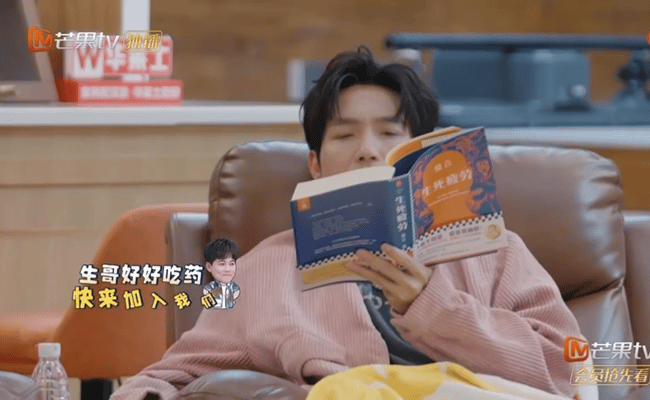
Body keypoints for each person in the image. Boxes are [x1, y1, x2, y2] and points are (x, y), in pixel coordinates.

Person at [110, 46, 582, 400]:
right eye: (344, 135)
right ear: (315, 165)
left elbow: (568, 370)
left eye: (390, 133)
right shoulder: (263, 270)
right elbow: (174, 374)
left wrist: (433, 307)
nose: (368, 151)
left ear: (421, 157)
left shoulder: (495, 250)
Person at [201, 238, 241, 310]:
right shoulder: (211, 287)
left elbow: (237, 291)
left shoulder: (234, 287)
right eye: (222, 264)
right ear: (209, 267)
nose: (227, 269)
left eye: (231, 264)